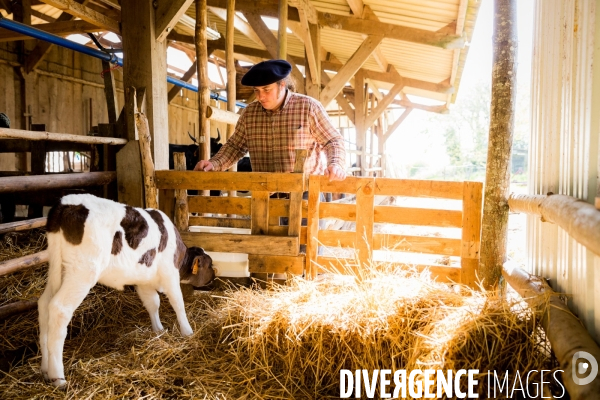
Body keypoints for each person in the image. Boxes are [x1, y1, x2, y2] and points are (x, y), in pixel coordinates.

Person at [194, 59, 346, 182]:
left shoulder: (308, 108)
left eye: (266, 90)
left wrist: (336, 164)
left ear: (282, 85)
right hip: (264, 194)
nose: (260, 97)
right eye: (256, 91)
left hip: (305, 193)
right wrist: (214, 163)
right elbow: (235, 147)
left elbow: (332, 141)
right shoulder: (249, 114)